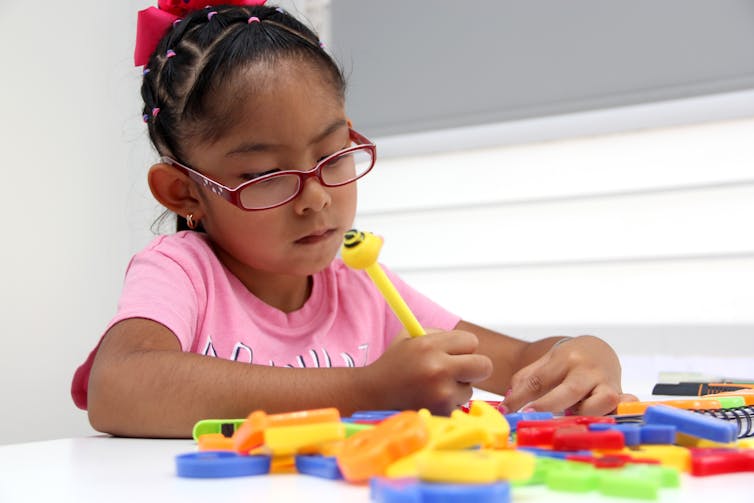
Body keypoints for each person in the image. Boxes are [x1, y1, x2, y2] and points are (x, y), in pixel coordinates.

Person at [72, 1, 635, 438]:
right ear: (185, 192)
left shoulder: (363, 288)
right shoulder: (182, 271)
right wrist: (365, 389)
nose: (315, 198)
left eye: (332, 156)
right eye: (267, 174)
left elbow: (515, 362)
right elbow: (119, 387)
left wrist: (581, 355)